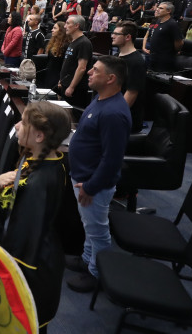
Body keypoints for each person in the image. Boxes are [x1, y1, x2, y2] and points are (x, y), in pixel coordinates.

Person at [0, 102, 72, 332]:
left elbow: (20, 242)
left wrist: (1, 188)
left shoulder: (36, 185)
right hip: (48, 258)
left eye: (23, 123)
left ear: (39, 136)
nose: (17, 126)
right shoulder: (55, 159)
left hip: (31, 275)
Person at [65, 56, 131, 293]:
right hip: (84, 177)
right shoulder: (101, 99)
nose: (89, 72)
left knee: (98, 230)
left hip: (94, 184)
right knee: (89, 224)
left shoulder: (114, 113)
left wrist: (91, 186)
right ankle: (86, 259)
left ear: (111, 78)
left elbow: (112, 160)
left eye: (95, 70)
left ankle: (97, 274)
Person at [112, 21, 146, 133]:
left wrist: (113, 116)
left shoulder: (136, 62)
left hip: (124, 118)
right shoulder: (117, 56)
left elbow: (131, 93)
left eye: (117, 34)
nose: (112, 36)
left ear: (127, 37)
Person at [57, 15, 93, 109]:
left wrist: (72, 87)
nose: (65, 26)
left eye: (68, 23)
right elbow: (68, 63)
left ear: (76, 26)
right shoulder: (73, 41)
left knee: (71, 117)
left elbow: (82, 68)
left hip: (76, 89)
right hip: (66, 84)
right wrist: (62, 80)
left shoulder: (84, 43)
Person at [142, 2, 183, 72]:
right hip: (154, 58)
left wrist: (171, 51)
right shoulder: (158, 22)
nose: (157, 9)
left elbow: (179, 42)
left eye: (161, 8)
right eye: (157, 7)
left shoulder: (172, 24)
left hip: (164, 60)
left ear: (168, 11)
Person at [43, 21, 68, 90]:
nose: (52, 30)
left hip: (57, 76)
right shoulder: (52, 42)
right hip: (49, 73)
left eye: (54, 28)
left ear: (61, 31)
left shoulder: (65, 45)